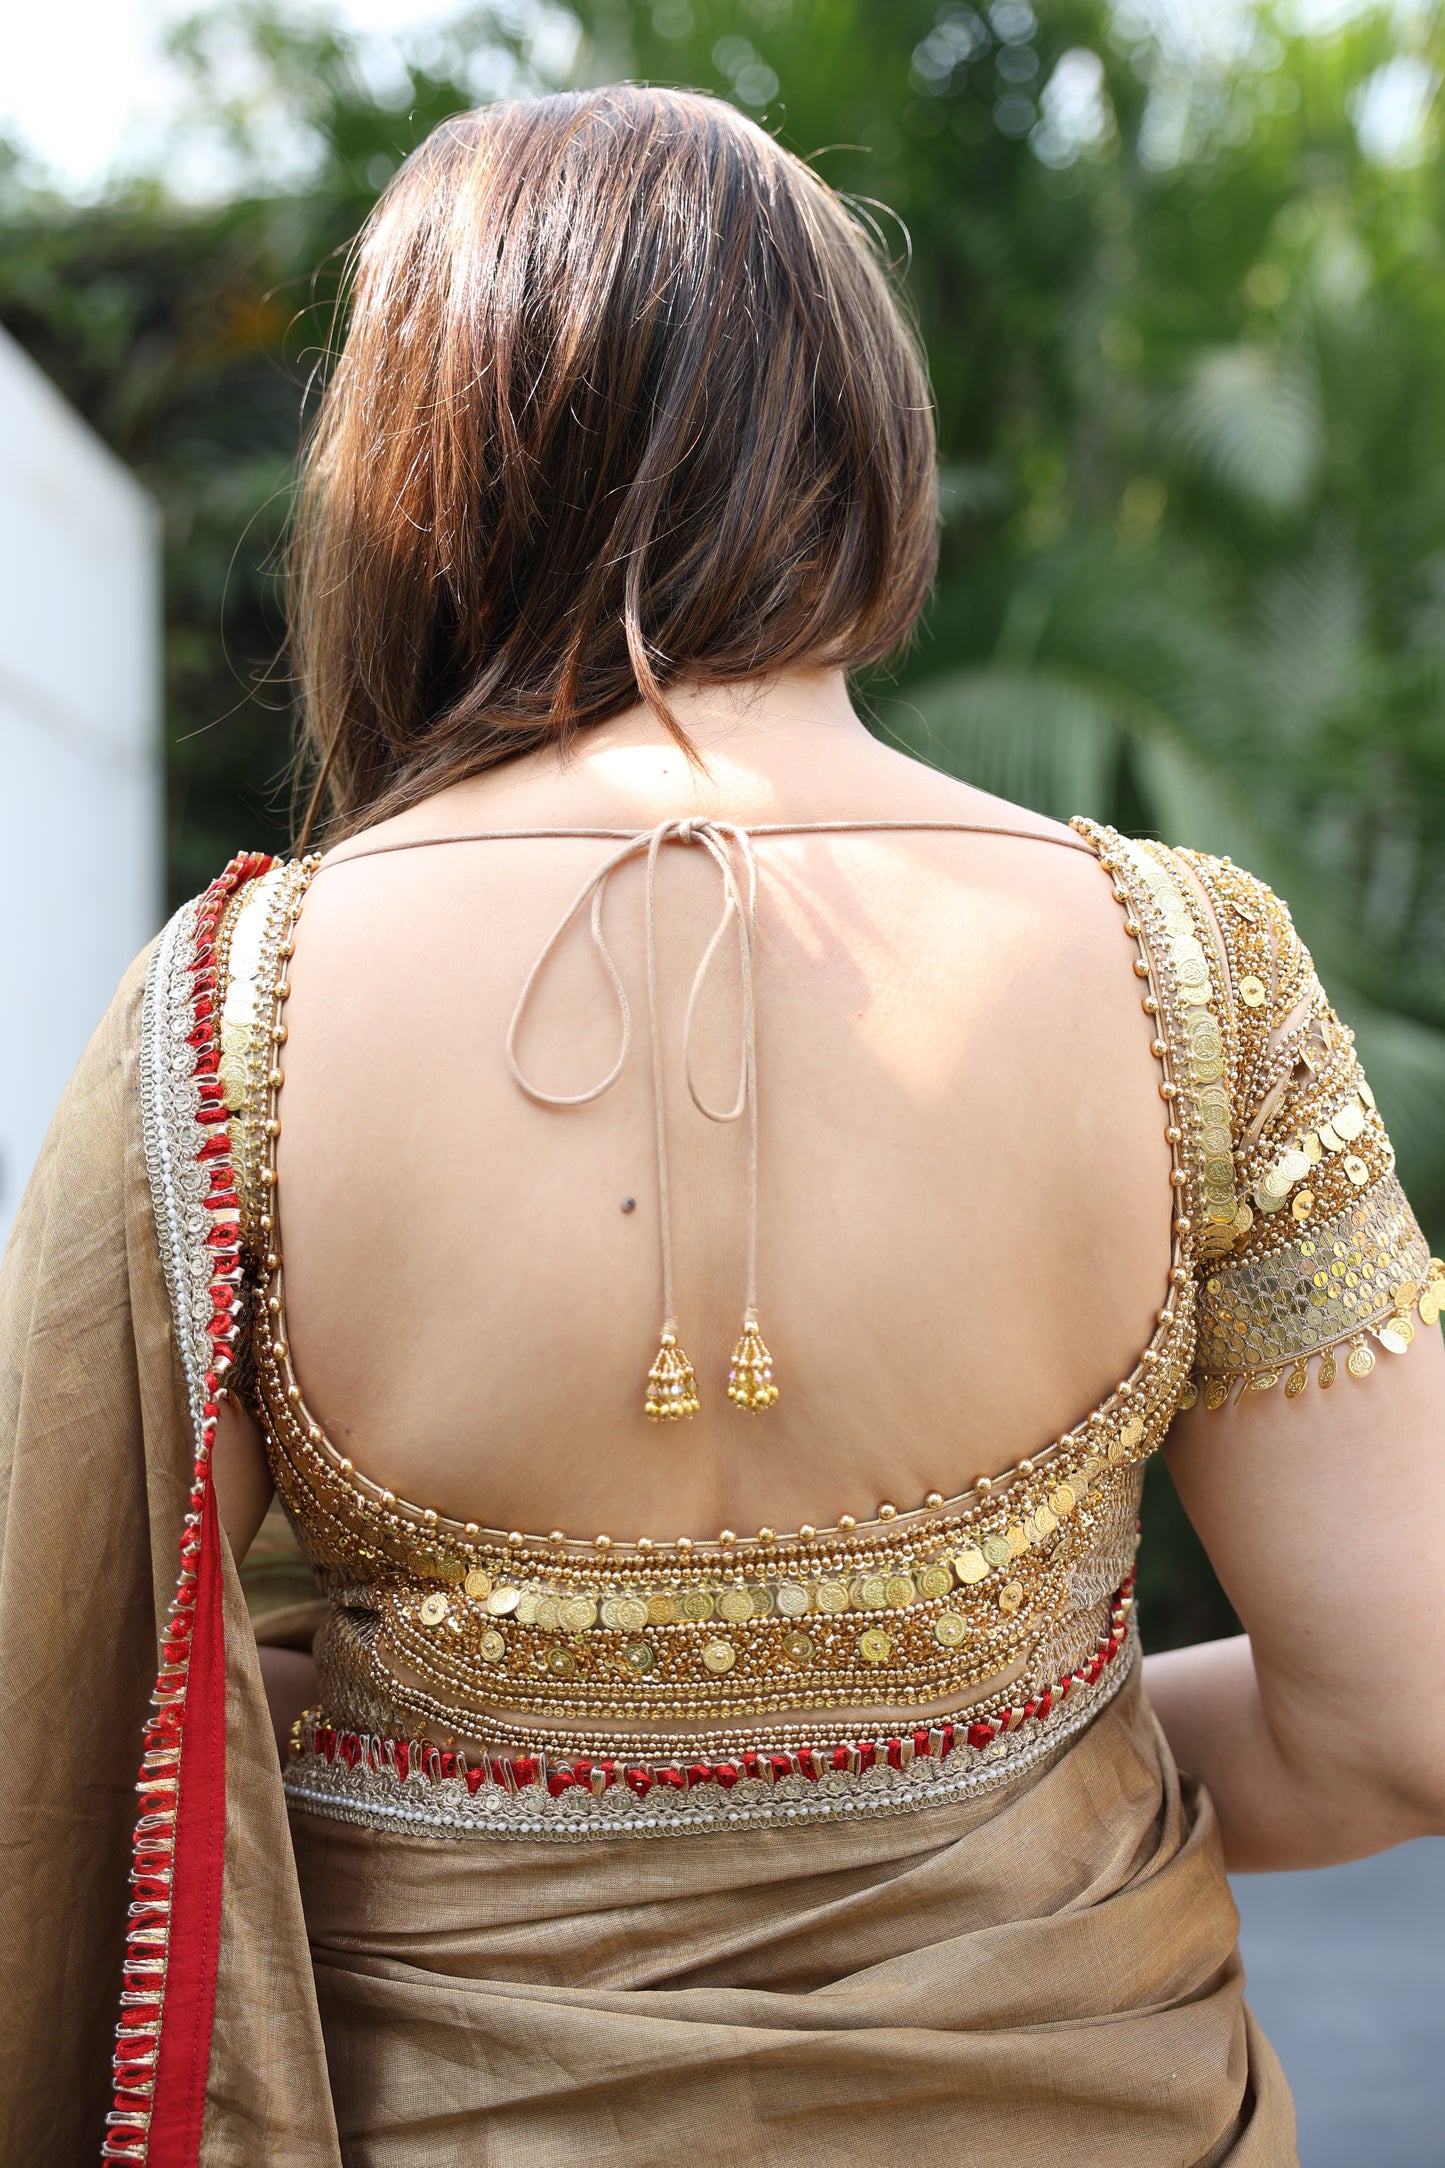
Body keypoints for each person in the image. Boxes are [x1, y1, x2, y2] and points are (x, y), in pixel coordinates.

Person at [3, 85, 1442, 2168]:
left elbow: (78, 1716)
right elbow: (1396, 1723)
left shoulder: (235, 1018)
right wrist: (971, 1763)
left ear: (415, 467)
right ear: (864, 441)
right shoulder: (1188, 975)